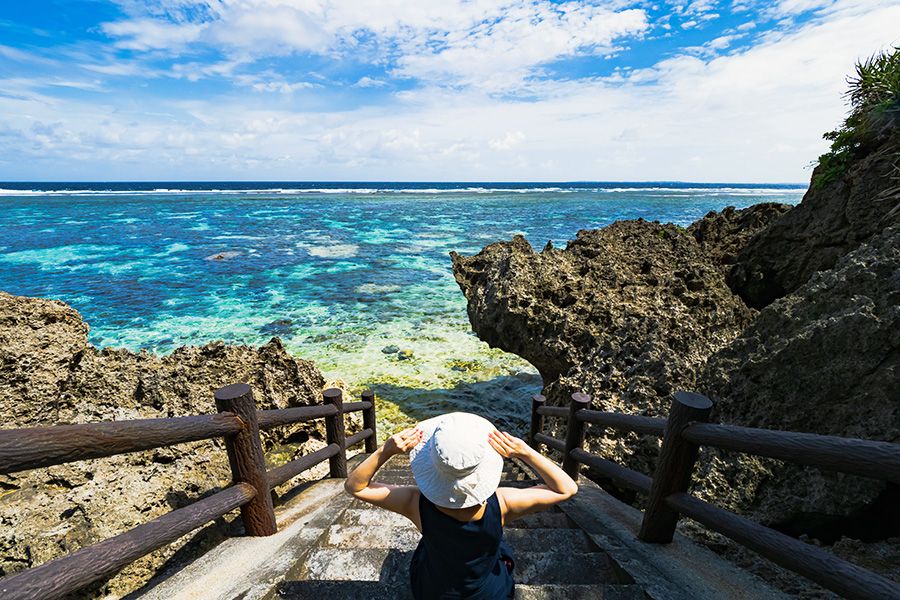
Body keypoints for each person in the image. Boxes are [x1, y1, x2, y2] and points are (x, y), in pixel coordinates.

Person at [344, 412, 579, 599]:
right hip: (490, 593)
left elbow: (356, 486)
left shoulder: (414, 503)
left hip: (433, 592)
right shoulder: (504, 503)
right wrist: (526, 452)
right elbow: (566, 488)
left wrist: (385, 451)